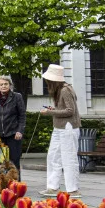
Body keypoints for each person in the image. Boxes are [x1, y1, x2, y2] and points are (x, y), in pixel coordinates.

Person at [40, 64, 81, 198]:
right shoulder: (61, 90)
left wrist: (50, 112)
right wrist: (53, 110)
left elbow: (70, 111)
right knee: (53, 156)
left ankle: (73, 189)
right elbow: (65, 109)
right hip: (59, 127)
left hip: (68, 127)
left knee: (69, 158)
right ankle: (52, 187)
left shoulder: (65, 90)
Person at [0, 76, 26, 169]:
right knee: (2, 162)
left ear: (10, 85)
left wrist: (19, 131)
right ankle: (4, 182)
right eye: (1, 84)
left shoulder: (17, 97)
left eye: (6, 84)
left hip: (13, 134)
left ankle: (16, 183)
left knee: (14, 162)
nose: (3, 86)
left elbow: (22, 115)